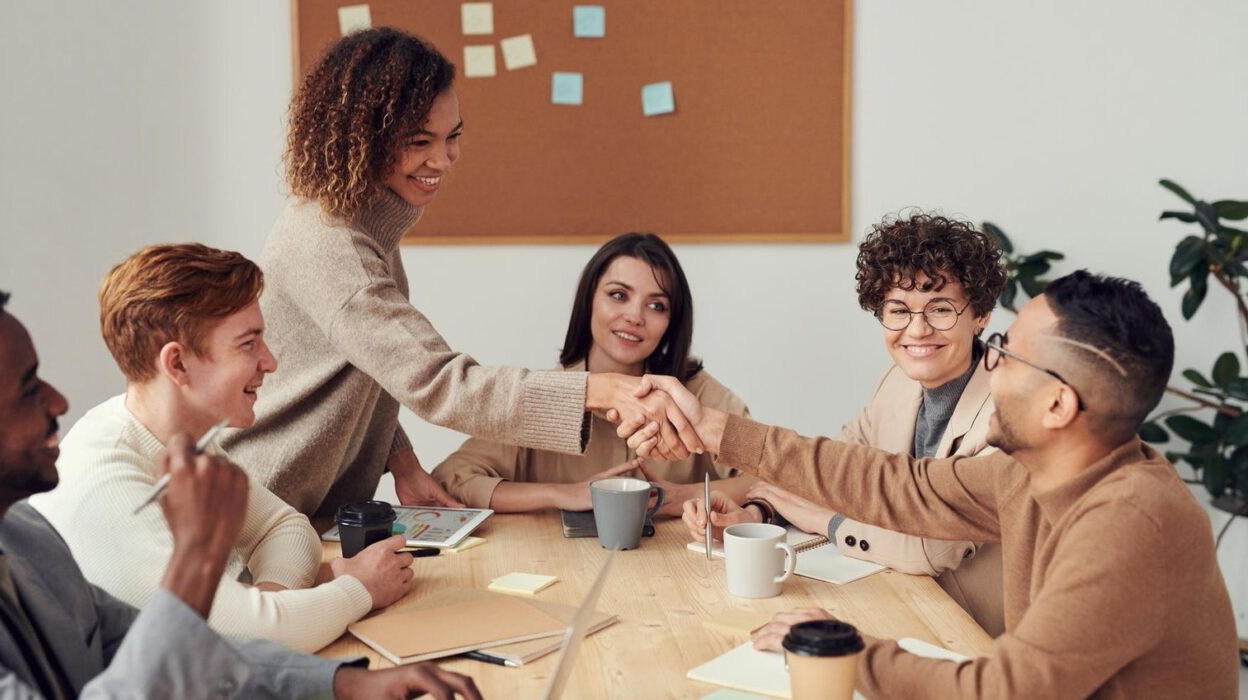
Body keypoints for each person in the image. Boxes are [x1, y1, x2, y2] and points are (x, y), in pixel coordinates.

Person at [635, 271, 1239, 698]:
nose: (989, 362)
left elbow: (1005, 690)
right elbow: (899, 486)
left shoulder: (1130, 520)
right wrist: (716, 429)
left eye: (1004, 352)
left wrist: (845, 650)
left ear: (1058, 404)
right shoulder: (1033, 473)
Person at [222, 27, 701, 517]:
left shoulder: (362, 225)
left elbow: (371, 366)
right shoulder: (334, 246)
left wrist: (402, 462)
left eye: (453, 137)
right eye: (419, 141)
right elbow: (440, 382)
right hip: (260, 509)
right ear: (363, 139)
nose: (443, 159)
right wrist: (595, 390)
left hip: (307, 511)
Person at [0, 275, 481, 699]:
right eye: (27, 392)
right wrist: (197, 559)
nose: (59, 402)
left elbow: (173, 649)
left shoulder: (24, 535)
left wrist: (344, 684)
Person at [30, 244, 411, 653]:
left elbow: (285, 528)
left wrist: (270, 603)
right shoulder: (108, 485)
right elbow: (243, 641)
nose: (270, 362)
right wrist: (358, 589)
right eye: (248, 344)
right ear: (176, 364)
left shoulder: (179, 437)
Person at [682, 213, 1008, 634]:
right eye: (898, 310)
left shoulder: (1007, 413)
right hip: (900, 605)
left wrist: (826, 522)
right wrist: (758, 513)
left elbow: (930, 550)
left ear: (980, 314)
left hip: (977, 635)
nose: (917, 329)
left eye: (940, 309)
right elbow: (831, 472)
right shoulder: (896, 383)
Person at [432, 233, 750, 513]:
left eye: (656, 306)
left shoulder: (697, 394)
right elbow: (451, 479)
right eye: (618, 295)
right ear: (589, 301)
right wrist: (561, 494)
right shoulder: (544, 396)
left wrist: (689, 496)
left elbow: (775, 479)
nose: (634, 316)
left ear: (672, 323)